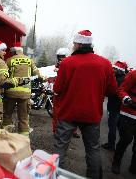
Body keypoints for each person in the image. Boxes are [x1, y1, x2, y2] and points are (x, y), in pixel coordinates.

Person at [53, 30, 117, 179]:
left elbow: (57, 88)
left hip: (68, 113)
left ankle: (55, 175)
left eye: (74, 43)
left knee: (60, 147)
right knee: (93, 149)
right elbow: (112, 90)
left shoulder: (67, 62)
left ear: (78, 44)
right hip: (92, 114)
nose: (73, 45)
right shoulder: (105, 63)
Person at [3, 42, 44, 136]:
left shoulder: (9, 60)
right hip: (25, 94)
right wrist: (42, 77)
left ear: (14, 52)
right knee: (24, 118)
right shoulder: (29, 60)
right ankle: (23, 138)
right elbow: (37, 73)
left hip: (11, 93)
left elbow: (4, 77)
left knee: (7, 115)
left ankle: (6, 136)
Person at [111, 69, 136, 175]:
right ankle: (116, 163)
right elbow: (121, 89)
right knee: (125, 140)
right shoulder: (133, 74)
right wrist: (128, 100)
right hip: (129, 114)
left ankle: (134, 167)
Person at [52, 48, 80, 138]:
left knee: (72, 112)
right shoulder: (56, 66)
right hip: (59, 93)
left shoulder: (72, 65)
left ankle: (73, 131)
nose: (61, 59)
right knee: (57, 113)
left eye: (62, 57)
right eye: (59, 57)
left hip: (70, 93)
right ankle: (56, 130)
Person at [102, 61, 128, 151]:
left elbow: (113, 92)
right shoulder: (124, 78)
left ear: (119, 70)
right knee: (118, 127)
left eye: (115, 69)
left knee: (112, 126)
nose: (113, 70)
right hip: (120, 107)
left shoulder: (117, 79)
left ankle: (111, 145)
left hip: (115, 107)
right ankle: (116, 145)